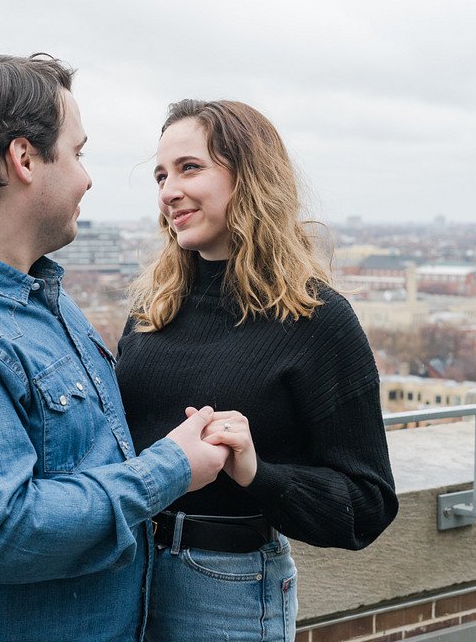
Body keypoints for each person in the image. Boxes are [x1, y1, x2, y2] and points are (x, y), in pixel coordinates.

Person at [0, 54, 230, 642]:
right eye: (77, 152)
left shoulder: (36, 297)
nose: (87, 177)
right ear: (24, 158)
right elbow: (4, 533)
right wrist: (171, 468)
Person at [117, 99, 399, 641]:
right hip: (119, 577)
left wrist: (254, 471)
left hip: (224, 588)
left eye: (189, 167)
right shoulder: (153, 306)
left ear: (248, 175)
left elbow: (367, 504)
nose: (168, 190)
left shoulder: (317, 319)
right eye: (160, 175)